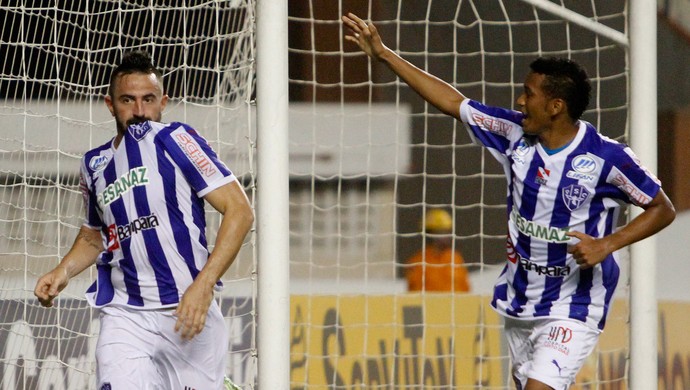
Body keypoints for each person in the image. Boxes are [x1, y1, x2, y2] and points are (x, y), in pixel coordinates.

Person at [342, 13, 676, 390]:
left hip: (573, 305)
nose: (519, 101)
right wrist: (384, 54)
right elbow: (454, 102)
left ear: (556, 106)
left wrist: (608, 244)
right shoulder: (513, 133)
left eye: (529, 93)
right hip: (520, 302)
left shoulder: (607, 158)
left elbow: (662, 207)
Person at [33, 51, 254, 390]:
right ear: (110, 104)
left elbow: (240, 210)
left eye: (148, 99)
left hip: (186, 309)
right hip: (125, 315)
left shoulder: (177, 139)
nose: (138, 111)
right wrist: (62, 271)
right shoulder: (95, 165)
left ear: (162, 102)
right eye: (127, 100)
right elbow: (95, 235)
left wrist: (204, 284)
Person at [405, 208, 471, 292]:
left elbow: (465, 289)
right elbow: (414, 293)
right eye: (441, 232)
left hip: (454, 304)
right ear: (429, 234)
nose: (446, 236)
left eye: (448, 232)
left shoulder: (456, 258)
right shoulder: (417, 261)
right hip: (429, 304)